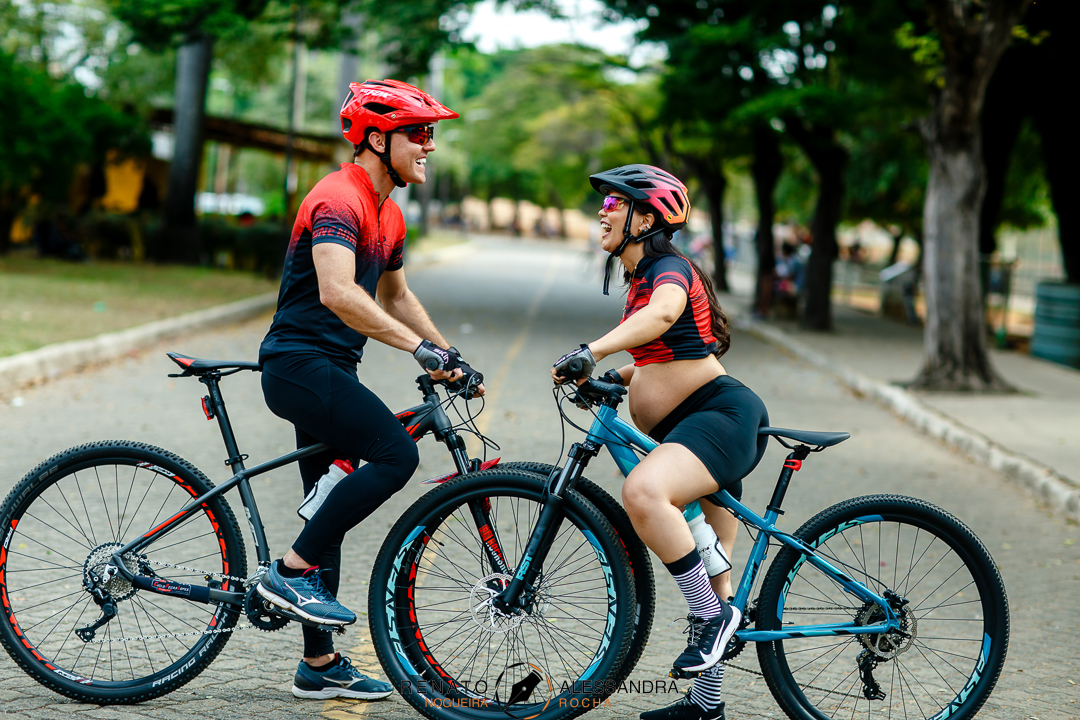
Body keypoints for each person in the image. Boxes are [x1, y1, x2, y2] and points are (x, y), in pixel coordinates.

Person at [255, 79, 483, 702]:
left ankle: (319, 664)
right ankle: (289, 574)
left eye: (432, 135)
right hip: (300, 366)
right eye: (420, 134)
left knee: (327, 507)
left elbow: (397, 295)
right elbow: (336, 290)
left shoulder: (389, 212)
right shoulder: (338, 197)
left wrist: (445, 353)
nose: (429, 146)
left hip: (333, 371)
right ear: (379, 139)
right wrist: (417, 349)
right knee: (395, 455)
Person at [551, 165, 769, 720]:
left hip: (717, 419)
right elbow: (662, 357)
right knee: (714, 584)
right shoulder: (640, 282)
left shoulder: (668, 269)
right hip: (692, 430)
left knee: (645, 492)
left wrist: (593, 351)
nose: (602, 210)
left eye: (615, 203)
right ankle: (706, 707)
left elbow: (667, 314)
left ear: (645, 218)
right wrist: (615, 378)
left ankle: (713, 620)